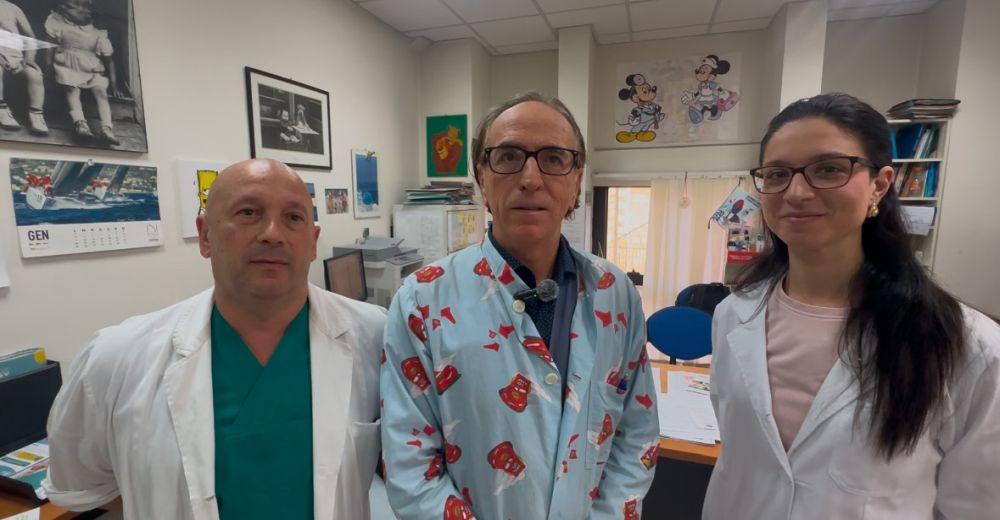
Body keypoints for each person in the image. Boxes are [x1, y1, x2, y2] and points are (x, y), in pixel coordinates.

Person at [704, 93, 1000, 519]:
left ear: (880, 184)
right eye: (778, 174)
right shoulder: (734, 315)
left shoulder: (968, 345)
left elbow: (976, 507)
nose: (797, 192)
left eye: (828, 169)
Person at [44, 159, 386, 519]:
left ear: (313, 243)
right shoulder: (114, 358)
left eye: (293, 217)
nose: (273, 233)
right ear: (205, 235)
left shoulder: (375, 336)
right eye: (248, 212)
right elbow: (81, 487)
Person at [380, 92, 659, 520]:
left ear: (576, 182)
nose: (530, 178)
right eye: (508, 157)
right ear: (482, 179)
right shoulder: (421, 300)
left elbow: (635, 435)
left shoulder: (614, 292)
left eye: (554, 159)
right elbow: (410, 465)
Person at [45, 0, 123, 144]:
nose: (83, 13)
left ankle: (107, 128)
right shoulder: (58, 23)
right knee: (71, 89)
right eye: (76, 9)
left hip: (91, 68)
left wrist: (114, 83)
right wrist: (48, 67)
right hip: (67, 65)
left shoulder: (98, 34)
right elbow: (48, 47)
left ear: (91, 17)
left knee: (101, 92)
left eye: (87, 11)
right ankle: (80, 123)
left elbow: (109, 61)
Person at [0, 0, 48, 135]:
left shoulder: (12, 8)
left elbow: (30, 37)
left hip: (15, 57)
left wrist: (29, 58)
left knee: (35, 75)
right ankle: (1, 109)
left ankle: (36, 115)